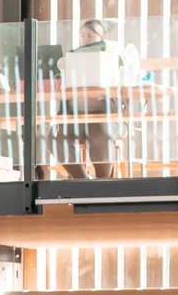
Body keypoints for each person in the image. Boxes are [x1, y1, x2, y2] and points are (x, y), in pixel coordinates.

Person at [58, 17, 142, 180]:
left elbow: (125, 88)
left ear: (102, 38)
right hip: (76, 118)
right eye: (82, 36)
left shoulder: (114, 59)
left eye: (90, 36)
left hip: (106, 117)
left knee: (99, 130)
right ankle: (82, 179)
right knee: (53, 137)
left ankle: (102, 183)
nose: (85, 40)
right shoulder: (71, 61)